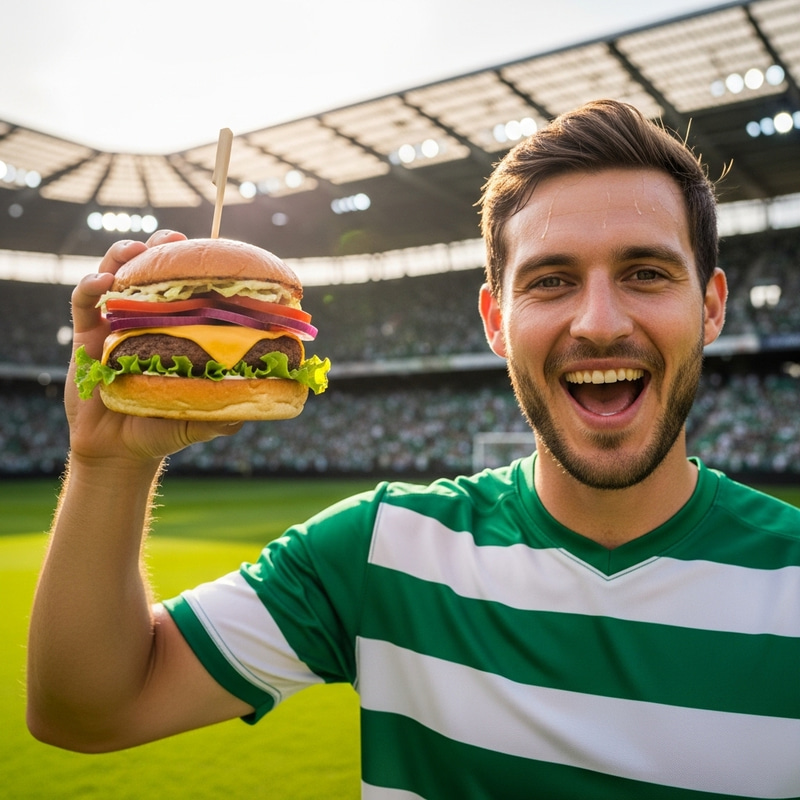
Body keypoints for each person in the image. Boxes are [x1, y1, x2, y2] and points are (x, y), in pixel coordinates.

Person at [26, 99, 800, 799]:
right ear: (495, 320)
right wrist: (110, 463)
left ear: (710, 306)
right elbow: (88, 709)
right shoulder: (378, 549)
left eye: (645, 272)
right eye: (551, 281)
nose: (598, 322)